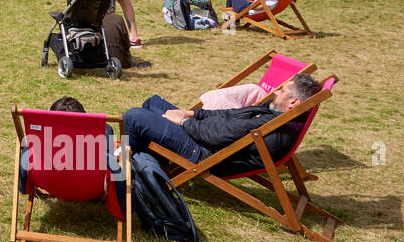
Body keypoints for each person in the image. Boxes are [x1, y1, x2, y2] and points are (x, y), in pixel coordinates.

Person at [124, 74, 324, 174]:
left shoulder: (273, 128)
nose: (275, 92)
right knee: (154, 102)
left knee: (134, 116)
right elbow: (229, 113)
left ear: (294, 103)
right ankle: (154, 167)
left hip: (205, 153)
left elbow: (216, 136)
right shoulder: (273, 111)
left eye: (282, 91)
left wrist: (184, 122)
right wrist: (191, 113)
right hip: (203, 137)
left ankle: (124, 173)